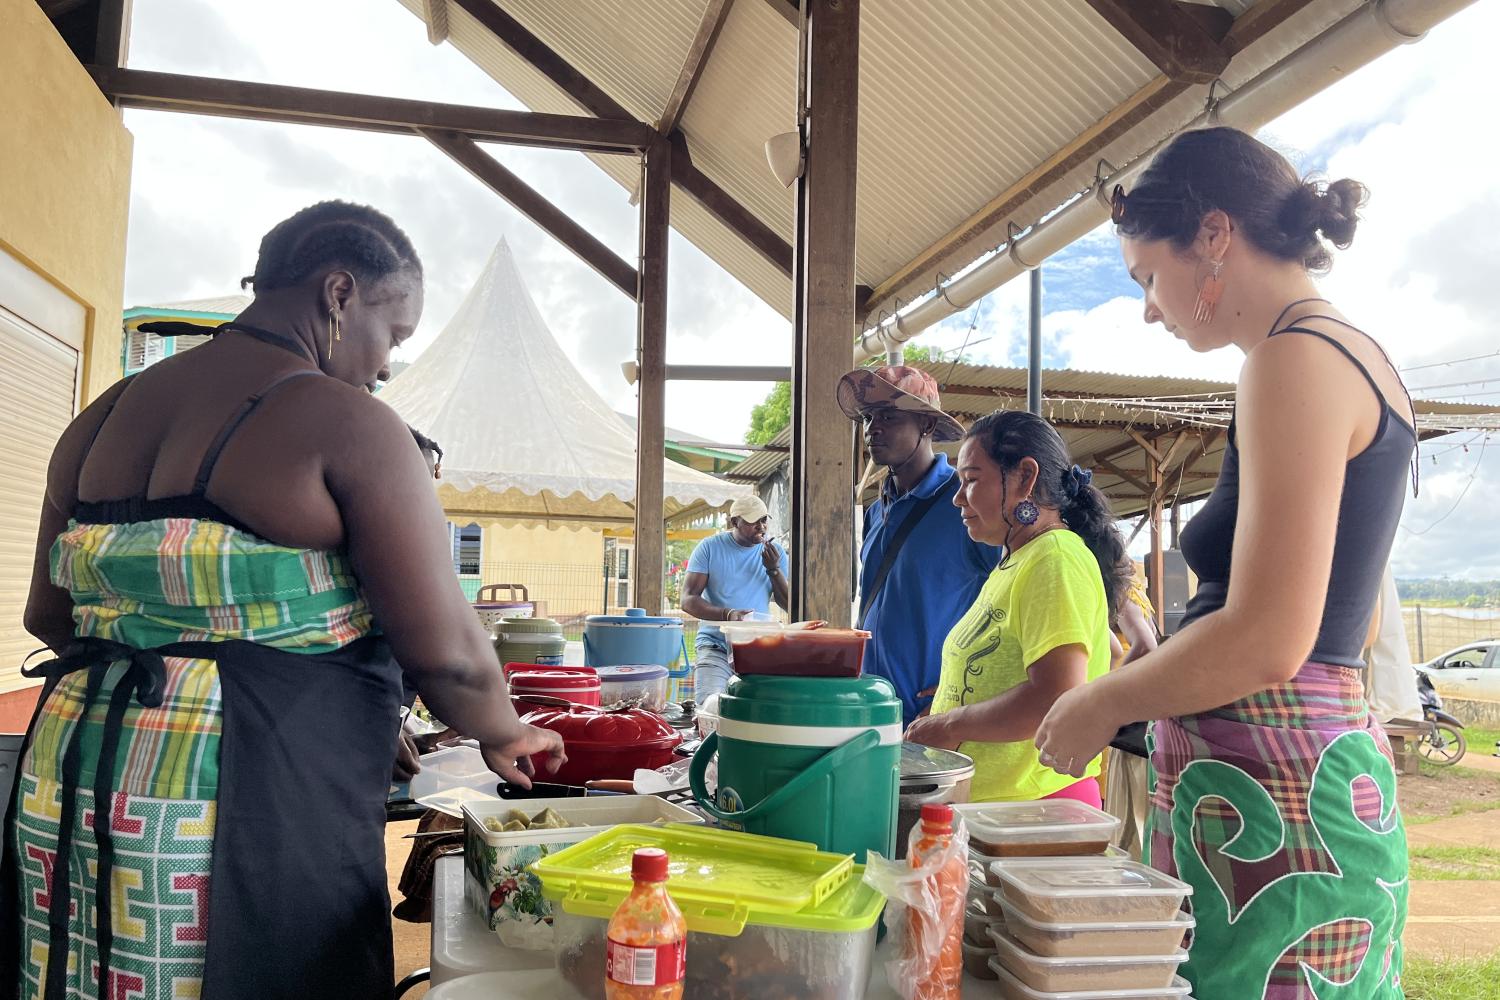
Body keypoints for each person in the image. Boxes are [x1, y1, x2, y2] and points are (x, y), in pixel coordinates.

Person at [8, 201, 565, 1000]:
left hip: (70, 783)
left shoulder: (97, 420)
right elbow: (449, 656)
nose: (383, 366)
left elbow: (49, 618)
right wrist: (508, 731)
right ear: (339, 294)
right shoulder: (352, 426)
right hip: (241, 805)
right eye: (394, 335)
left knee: (87, 971)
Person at [1034, 127, 1413, 999]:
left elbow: (1273, 638)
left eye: (1146, 278)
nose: (1150, 309)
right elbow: (1355, 615)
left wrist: (1104, 701)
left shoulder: (1292, 358)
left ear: (1213, 236)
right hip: (1297, 777)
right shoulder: (1343, 353)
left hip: (1277, 795)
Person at [904, 411, 1129, 807]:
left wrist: (950, 723)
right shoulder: (1018, 560)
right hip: (1006, 810)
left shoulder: (1054, 558)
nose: (958, 498)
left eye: (971, 480)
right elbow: (1106, 650)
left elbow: (1056, 696)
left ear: (1025, 478)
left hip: (1034, 812)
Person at [837, 366, 1000, 725]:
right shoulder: (877, 511)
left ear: (926, 426)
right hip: (872, 711)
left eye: (889, 416)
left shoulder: (964, 503)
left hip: (933, 718)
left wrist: (975, 686)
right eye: (868, 418)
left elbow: (1011, 602)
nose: (871, 429)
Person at [681, 495, 789, 699]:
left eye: (764, 520)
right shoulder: (709, 547)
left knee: (762, 708)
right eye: (752, 521)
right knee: (710, 704)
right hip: (715, 645)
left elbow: (789, 604)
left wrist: (773, 570)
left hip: (758, 648)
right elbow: (688, 599)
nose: (761, 526)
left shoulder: (775, 554)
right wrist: (727, 614)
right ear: (734, 522)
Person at [1103, 565, 1158, 859]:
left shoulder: (1120, 591)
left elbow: (1144, 646)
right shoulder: (1134, 590)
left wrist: (1100, 693)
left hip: (1124, 708)